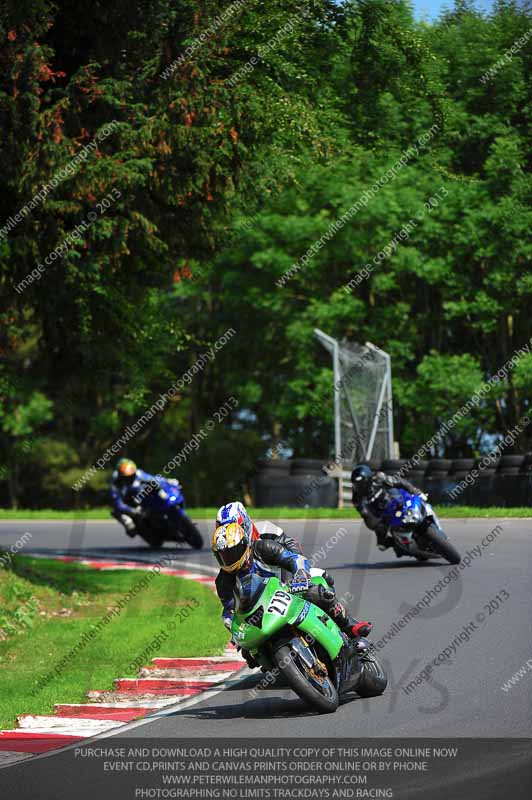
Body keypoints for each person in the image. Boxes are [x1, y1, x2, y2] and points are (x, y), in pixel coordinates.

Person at [211, 516, 372, 668]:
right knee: (250, 654)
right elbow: (229, 609)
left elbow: (294, 558)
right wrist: (231, 624)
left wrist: (300, 575)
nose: (228, 559)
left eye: (231, 553)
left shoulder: (262, 546)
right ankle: (280, 666)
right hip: (258, 612)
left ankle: (350, 628)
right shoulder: (223, 581)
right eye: (222, 556)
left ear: (243, 544)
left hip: (288, 589)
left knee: (318, 591)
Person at [351, 463, 425, 551]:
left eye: (360, 484)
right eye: (356, 485)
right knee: (382, 545)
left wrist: (413, 490)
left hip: (396, 501)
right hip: (381, 515)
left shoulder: (379, 478)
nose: (358, 487)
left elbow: (399, 481)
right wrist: (377, 524)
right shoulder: (357, 498)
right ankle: (400, 545)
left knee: (414, 500)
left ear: (368, 480)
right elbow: (367, 517)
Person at [110, 458, 180, 536]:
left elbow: (153, 479)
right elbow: (118, 504)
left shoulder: (139, 473)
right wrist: (133, 511)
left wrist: (167, 481)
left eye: (132, 475)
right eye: (127, 477)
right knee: (117, 512)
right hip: (131, 505)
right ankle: (128, 524)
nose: (130, 477)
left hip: (145, 498)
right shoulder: (116, 484)